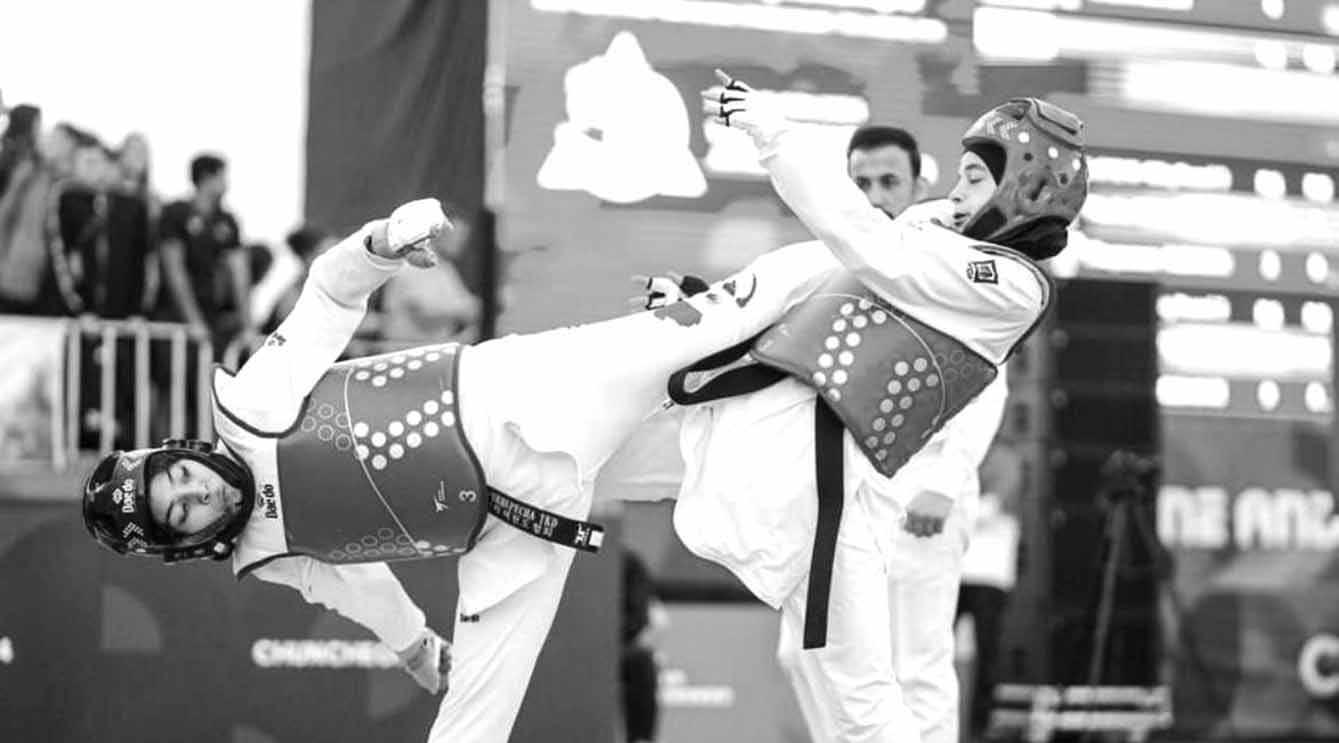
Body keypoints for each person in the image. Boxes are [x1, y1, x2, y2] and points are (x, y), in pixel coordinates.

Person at [80, 197, 860, 742]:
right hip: (510, 532)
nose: (197, 491)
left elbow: (327, 297)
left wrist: (381, 242)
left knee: (709, 324)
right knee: (469, 727)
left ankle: (878, 252)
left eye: (178, 476)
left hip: (522, 393)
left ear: (180, 452)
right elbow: (360, 585)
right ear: (183, 543)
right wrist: (415, 646)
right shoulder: (267, 552)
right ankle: (839, 435)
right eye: (181, 510)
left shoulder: (250, 408)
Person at [614, 71, 1085, 742]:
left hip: (874, 485)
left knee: (895, 677)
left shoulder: (1007, 282)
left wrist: (774, 133)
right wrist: (703, 305)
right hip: (807, 450)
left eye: (973, 178)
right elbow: (804, 297)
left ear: (1024, 190)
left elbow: (876, 250)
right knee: (822, 667)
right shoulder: (922, 246)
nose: (955, 193)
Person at [762, 122, 1012, 743]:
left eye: (889, 182)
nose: (875, 197)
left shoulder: (950, 258)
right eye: (862, 183)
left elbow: (990, 375)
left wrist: (945, 483)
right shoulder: (845, 262)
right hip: (847, 485)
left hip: (924, 487)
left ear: (920, 186)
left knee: (915, 662)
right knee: (805, 652)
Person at [957, 437, 1025, 742]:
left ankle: (979, 727)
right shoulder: (958, 452)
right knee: (933, 649)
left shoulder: (1006, 458)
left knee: (988, 653)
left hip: (989, 573)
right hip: (953, 570)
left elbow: (990, 508)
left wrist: (946, 507)